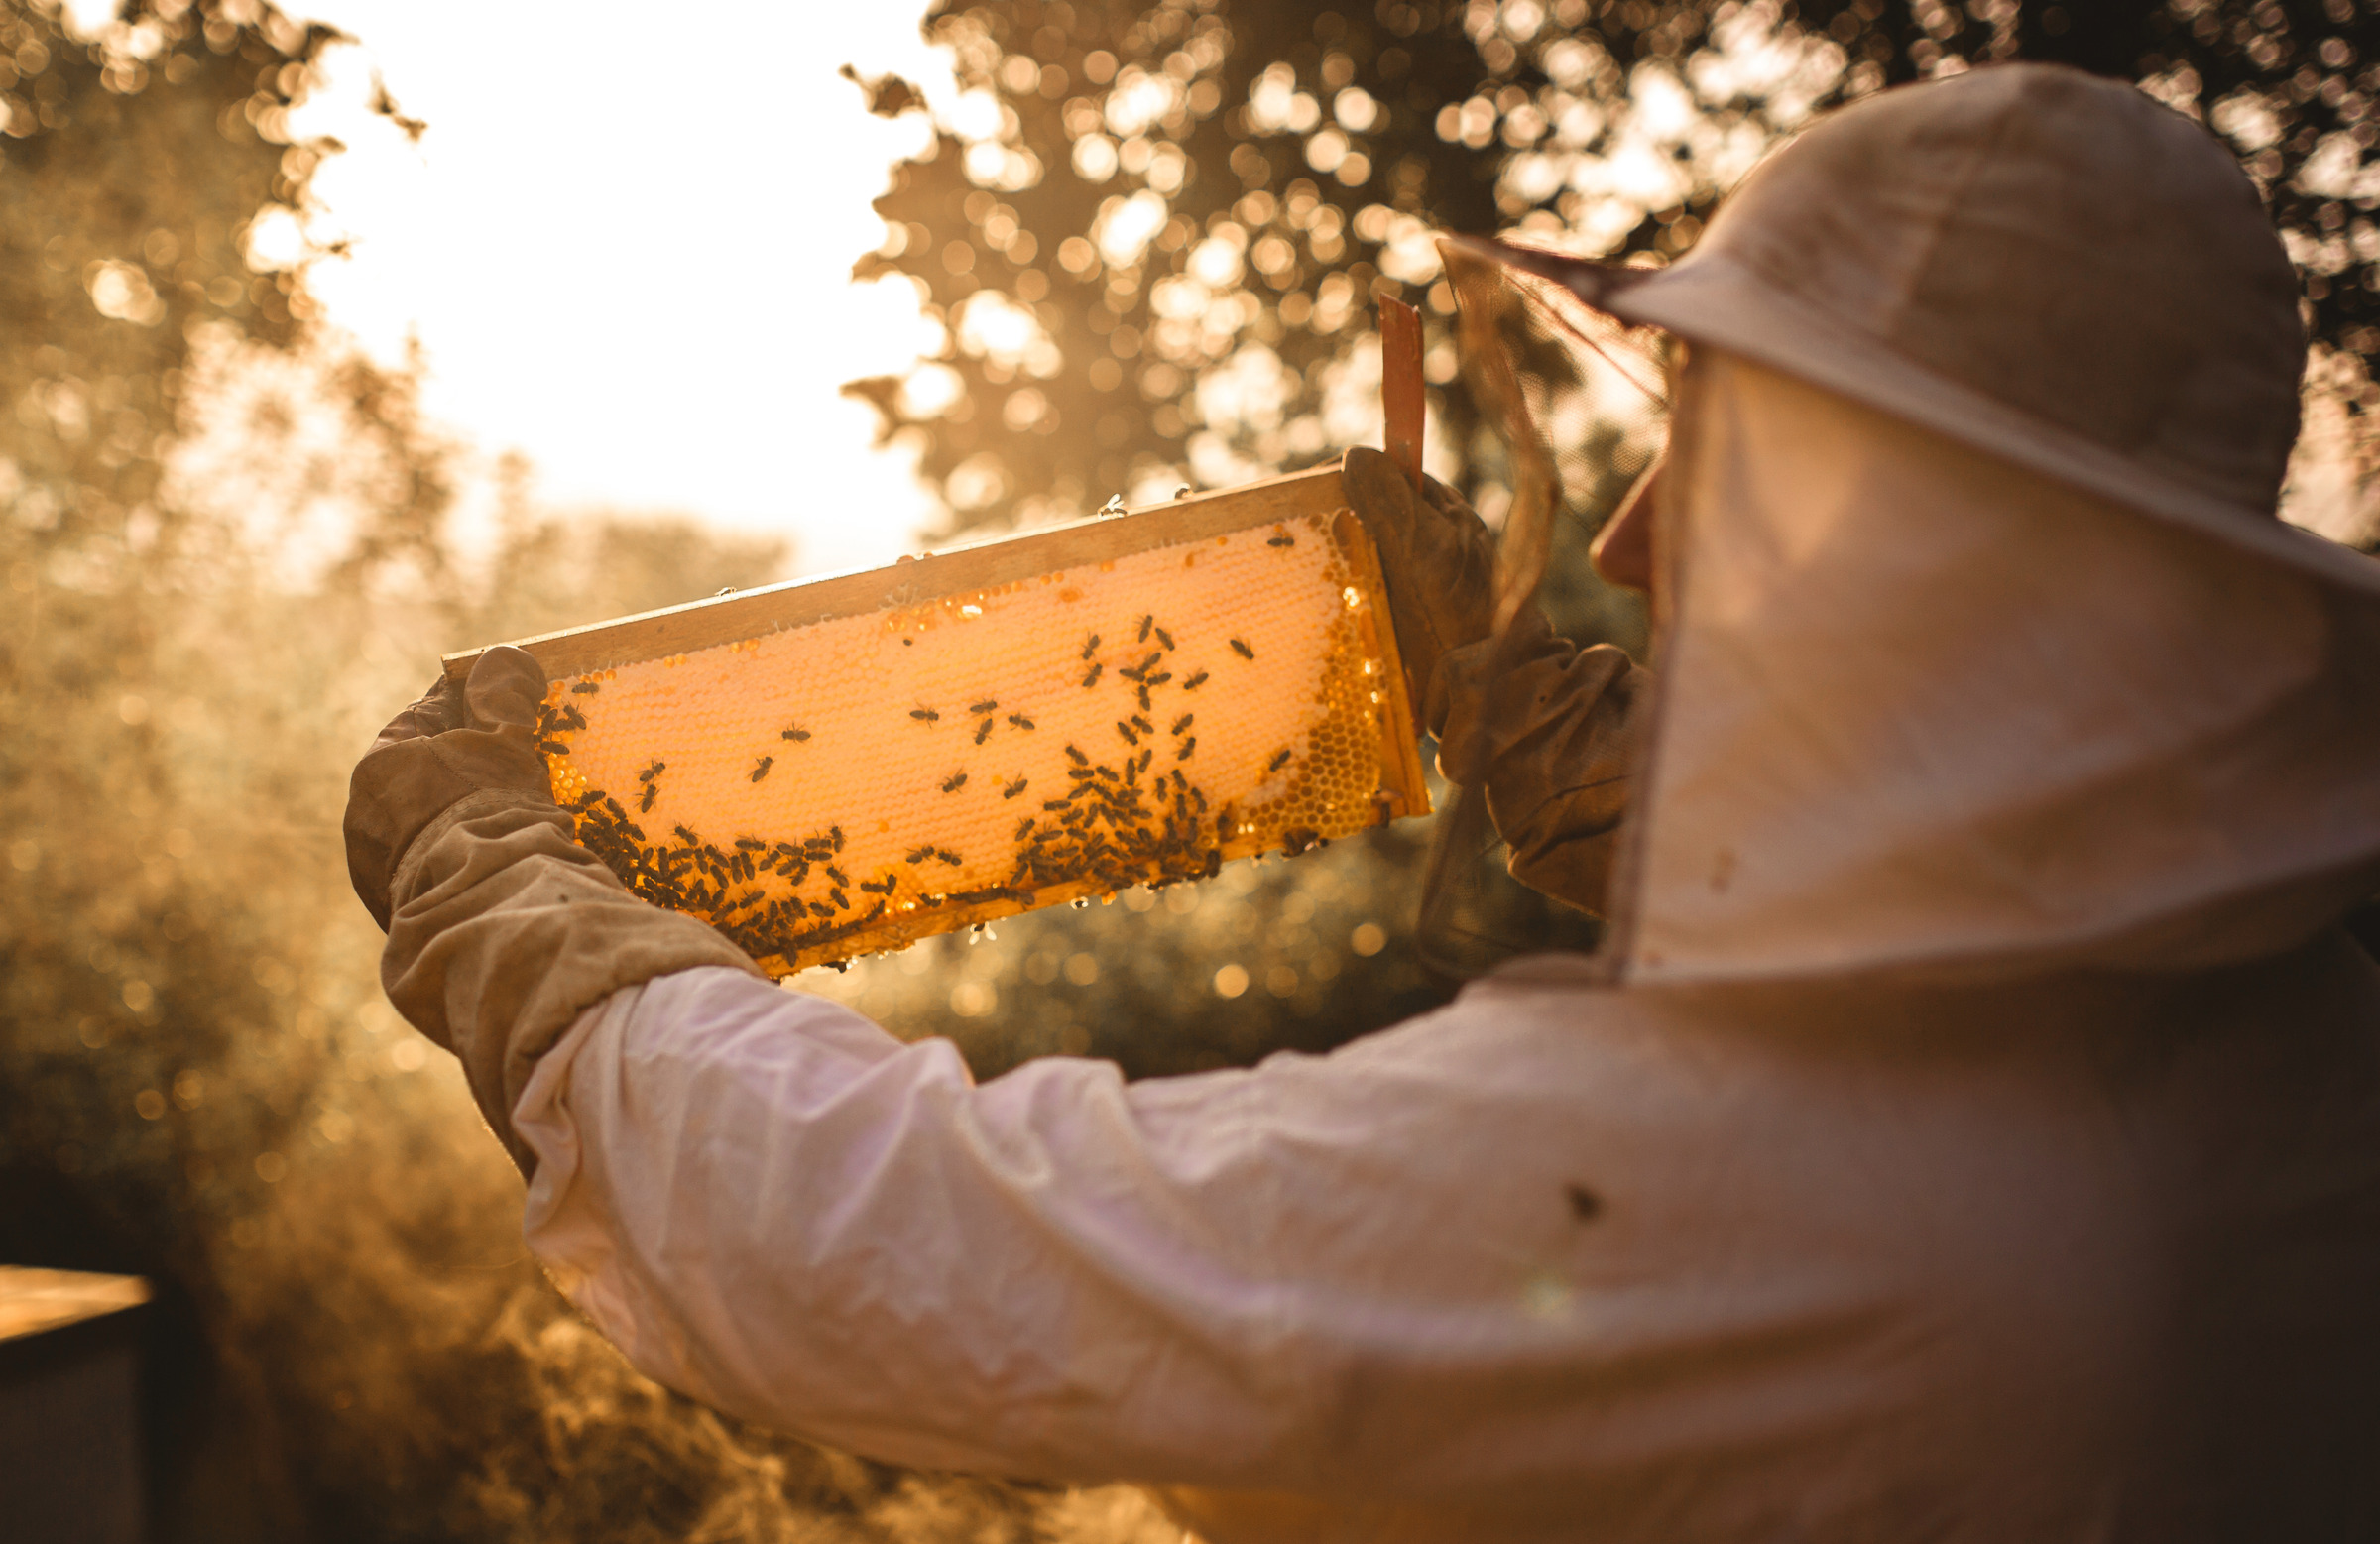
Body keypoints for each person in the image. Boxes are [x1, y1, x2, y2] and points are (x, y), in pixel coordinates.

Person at [345, 65, 2380, 1541]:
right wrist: (1536, 721)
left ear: (1920, 539)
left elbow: (907, 1242)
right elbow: (1948, 863)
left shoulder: (1784, 1177)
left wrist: (513, 903)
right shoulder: (2289, 1027)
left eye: (1724, 451)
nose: (1642, 535)